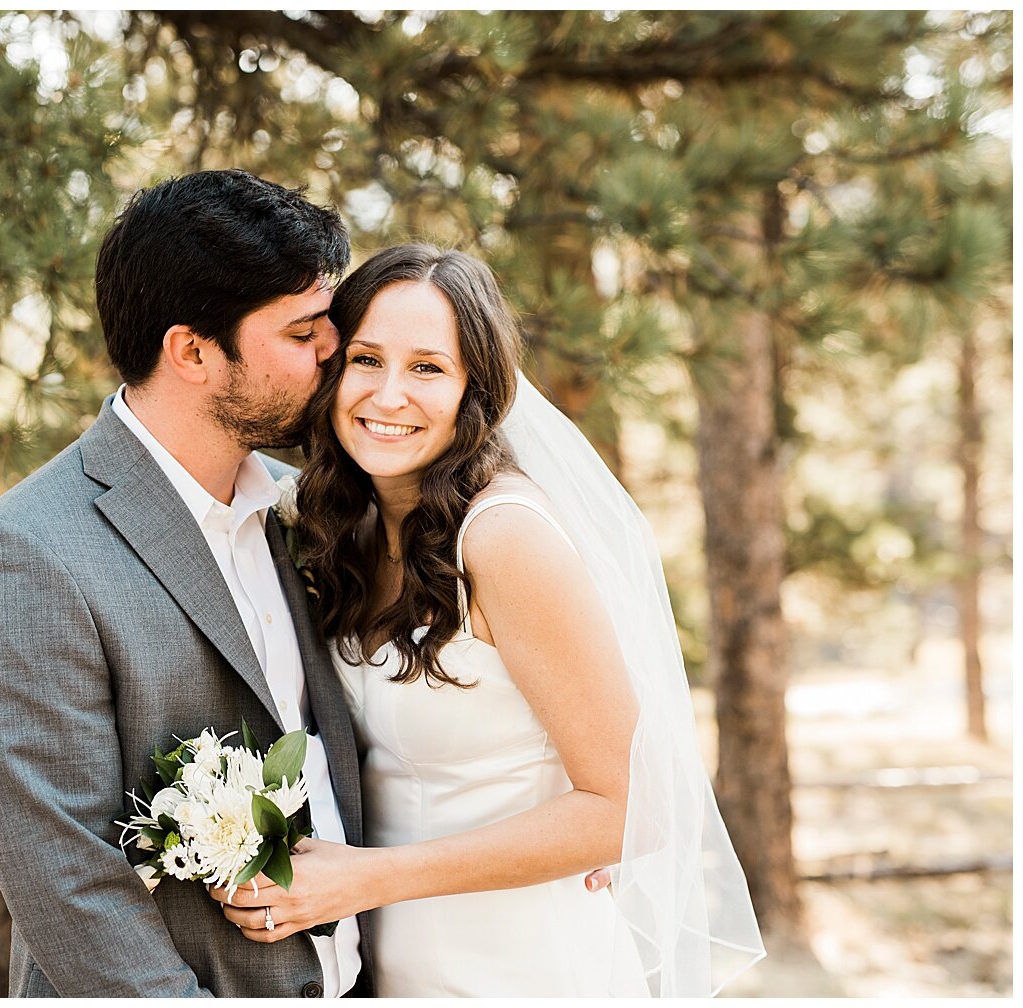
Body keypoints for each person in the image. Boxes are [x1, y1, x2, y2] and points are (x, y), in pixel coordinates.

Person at [211, 245, 766, 996]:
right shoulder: (347, 530)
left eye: (428, 368)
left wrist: (369, 880)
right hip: (392, 974)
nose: (388, 394)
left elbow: (637, 805)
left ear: (477, 388)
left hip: (526, 968)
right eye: (367, 359)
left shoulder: (504, 538)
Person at [0, 170, 370, 997]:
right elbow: (68, 880)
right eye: (303, 331)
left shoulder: (301, 511)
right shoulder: (24, 556)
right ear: (194, 352)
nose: (333, 352)